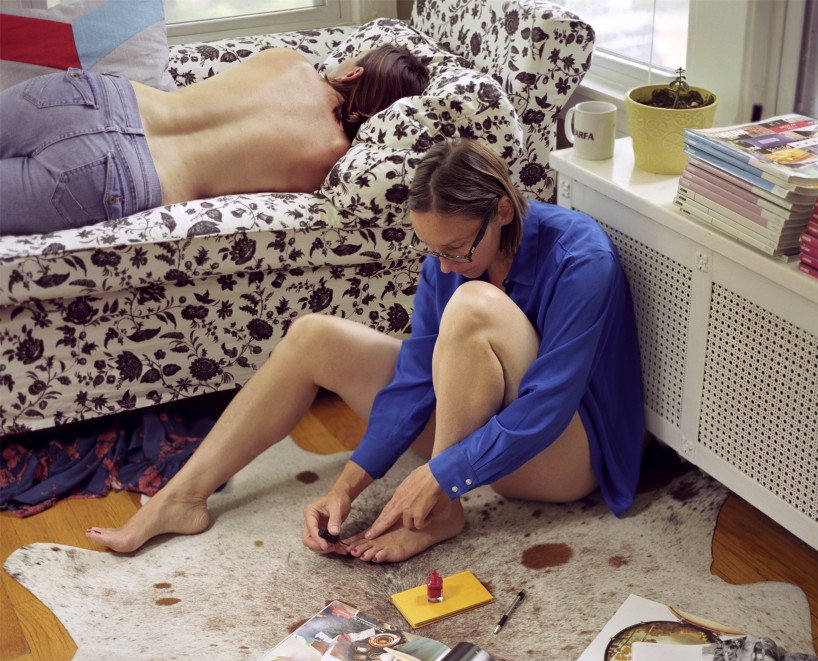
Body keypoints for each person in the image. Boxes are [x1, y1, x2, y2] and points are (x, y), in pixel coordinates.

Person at [85, 138, 644, 563]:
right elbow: (415, 381)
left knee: (473, 305)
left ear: (501, 211)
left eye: (455, 249)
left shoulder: (581, 258)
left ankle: (442, 509)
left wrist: (442, 473)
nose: (444, 266)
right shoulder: (447, 261)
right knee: (314, 335)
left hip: (563, 457)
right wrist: (347, 486)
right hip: (484, 427)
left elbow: (547, 407)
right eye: (434, 251)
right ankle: (183, 498)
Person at [0, 45, 428, 235]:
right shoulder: (329, 159)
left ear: (354, 72)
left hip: (94, 99)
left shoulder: (288, 61)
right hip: (118, 177)